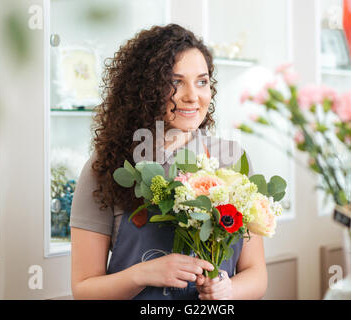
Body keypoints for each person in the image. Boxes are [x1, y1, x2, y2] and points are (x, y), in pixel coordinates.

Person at [69, 24, 267, 300]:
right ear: (145, 90)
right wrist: (143, 274)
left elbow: (256, 273)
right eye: (175, 82)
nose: (192, 96)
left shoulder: (231, 160)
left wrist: (228, 290)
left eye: (202, 81)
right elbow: (84, 289)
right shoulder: (106, 168)